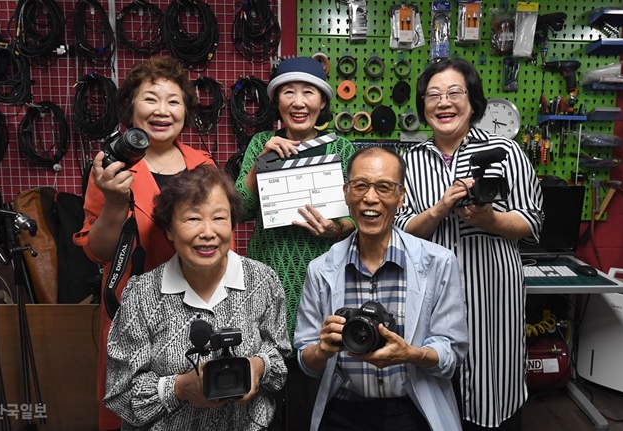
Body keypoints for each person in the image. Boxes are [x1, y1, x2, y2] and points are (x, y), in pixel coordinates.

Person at [393, 58, 543, 430]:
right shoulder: (409, 162)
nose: (443, 102)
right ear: (423, 106)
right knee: (432, 386)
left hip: (491, 294)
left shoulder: (505, 152)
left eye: (454, 93)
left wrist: (490, 220)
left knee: (492, 381)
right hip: (428, 297)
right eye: (433, 95)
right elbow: (400, 229)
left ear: (473, 103)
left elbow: (531, 219)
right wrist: (440, 209)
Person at [73, 56, 217, 430]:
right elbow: (100, 252)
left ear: (185, 111)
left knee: (195, 403)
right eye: (150, 99)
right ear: (131, 108)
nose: (162, 110)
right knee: (134, 408)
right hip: (131, 310)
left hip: (194, 308)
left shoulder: (204, 166)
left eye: (174, 101)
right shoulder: (110, 167)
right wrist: (116, 202)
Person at [294, 146, 469, 431]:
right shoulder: (321, 269)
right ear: (346, 193)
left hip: (412, 411)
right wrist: (323, 349)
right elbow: (305, 360)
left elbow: (452, 354)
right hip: (344, 411)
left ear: (401, 197)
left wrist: (410, 354)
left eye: (384, 187)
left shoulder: (438, 262)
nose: (370, 198)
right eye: (360, 186)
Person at [104, 165, 292, 430]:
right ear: (169, 229)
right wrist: (180, 388)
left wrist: (259, 366)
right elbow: (120, 394)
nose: (208, 232)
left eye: (219, 218)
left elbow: (280, 357)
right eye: (193, 219)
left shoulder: (262, 281)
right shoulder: (142, 294)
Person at [235, 56, 355, 429]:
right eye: (288, 91)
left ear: (322, 102)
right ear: (277, 100)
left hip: (319, 279)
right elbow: (239, 209)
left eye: (309, 92)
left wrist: (337, 228)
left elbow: (358, 218)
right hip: (267, 277)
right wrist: (260, 163)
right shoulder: (260, 143)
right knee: (266, 374)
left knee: (314, 372)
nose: (298, 101)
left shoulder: (343, 148)